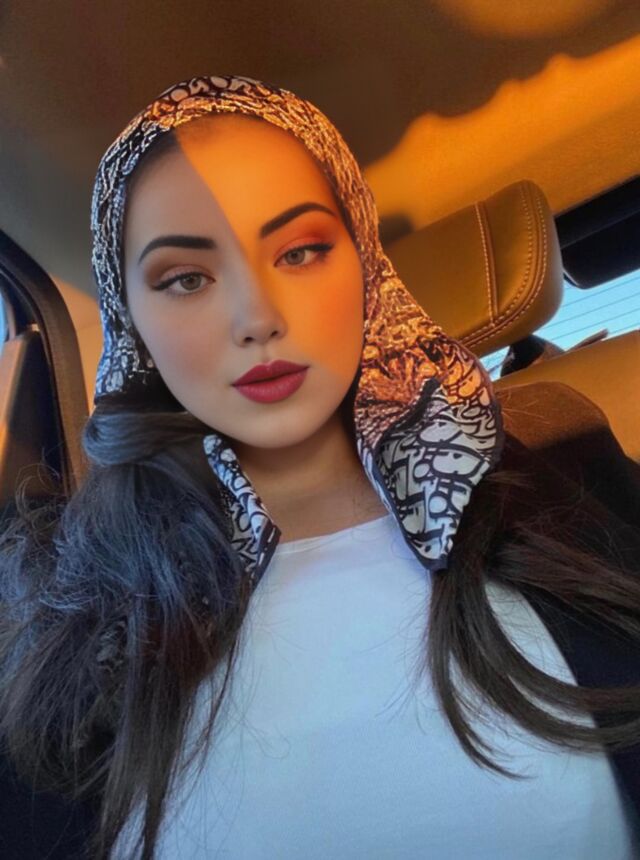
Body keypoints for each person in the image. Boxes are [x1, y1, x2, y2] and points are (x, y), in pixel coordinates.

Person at [0, 75, 639, 860]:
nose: (258, 318)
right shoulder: (71, 597)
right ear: (135, 327)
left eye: (300, 251)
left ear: (365, 266)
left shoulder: (563, 456)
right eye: (187, 278)